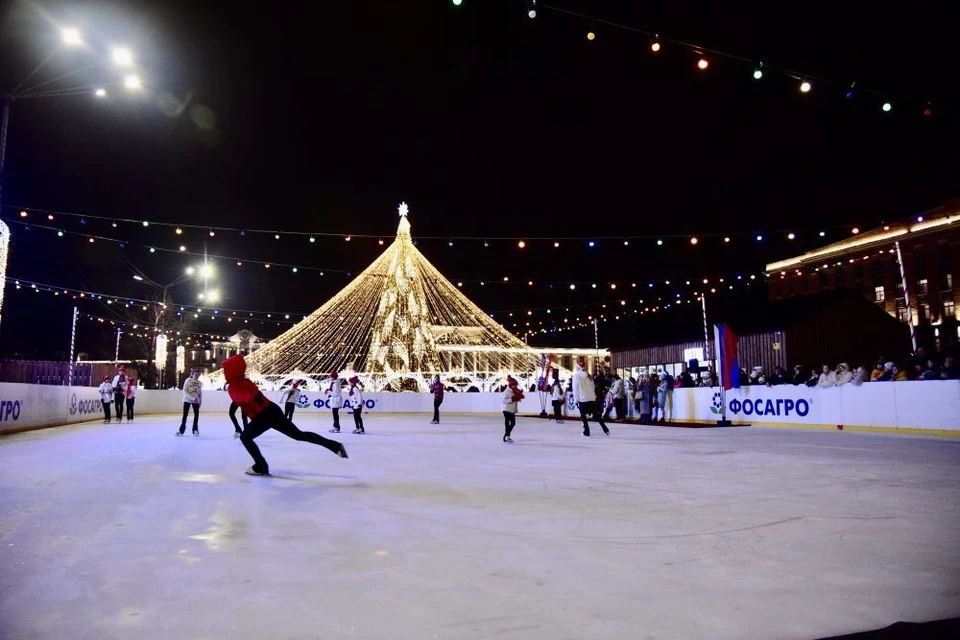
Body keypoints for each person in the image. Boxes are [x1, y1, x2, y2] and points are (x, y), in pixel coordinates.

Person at [223, 354, 347, 476]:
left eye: (226, 371)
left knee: (245, 437)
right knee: (299, 435)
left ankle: (261, 465)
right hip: (271, 410)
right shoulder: (244, 382)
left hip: (263, 415)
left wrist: (236, 396)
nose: (225, 374)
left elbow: (242, 399)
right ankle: (335, 446)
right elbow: (244, 399)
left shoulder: (236, 386)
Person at [572, 361, 609, 438]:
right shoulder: (589, 376)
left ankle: (586, 432)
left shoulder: (576, 376)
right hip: (591, 398)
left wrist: (576, 400)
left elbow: (575, 389)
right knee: (596, 415)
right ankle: (605, 429)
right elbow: (592, 388)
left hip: (583, 399)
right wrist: (592, 397)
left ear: (578, 367)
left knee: (583, 416)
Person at [177, 368, 203, 436]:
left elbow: (200, 394)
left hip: (196, 400)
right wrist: (192, 398)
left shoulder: (200, 383)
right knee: (185, 416)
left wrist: (200, 401)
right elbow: (185, 391)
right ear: (192, 374)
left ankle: (195, 430)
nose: (197, 376)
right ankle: (181, 431)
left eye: (198, 375)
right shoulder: (188, 380)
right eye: (196, 374)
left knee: (196, 416)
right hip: (187, 400)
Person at [501, 375, 524, 443]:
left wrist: (519, 395)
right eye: (515, 385)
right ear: (511, 385)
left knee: (513, 423)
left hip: (512, 410)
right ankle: (507, 436)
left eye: (516, 385)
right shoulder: (506, 392)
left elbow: (519, 396)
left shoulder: (515, 390)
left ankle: (506, 435)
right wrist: (512, 399)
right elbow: (503, 401)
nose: (516, 386)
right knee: (508, 423)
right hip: (506, 410)